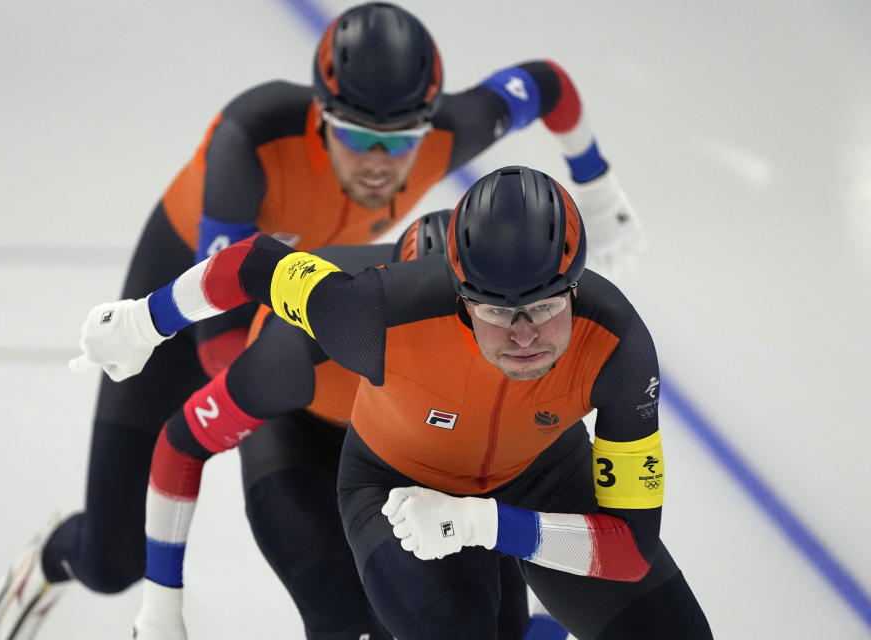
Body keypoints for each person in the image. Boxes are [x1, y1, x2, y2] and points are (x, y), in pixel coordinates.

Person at [0, 2, 643, 638]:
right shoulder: (254, 139)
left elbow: (546, 84)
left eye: (402, 141)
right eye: (358, 135)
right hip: (212, 313)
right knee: (113, 560)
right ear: (319, 117)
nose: (382, 164)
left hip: (319, 318)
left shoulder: (450, 139)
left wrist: (597, 185)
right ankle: (53, 558)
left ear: (429, 127)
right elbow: (227, 343)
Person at [72, 165, 712, 639]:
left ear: (577, 287)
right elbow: (253, 264)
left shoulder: (619, 345)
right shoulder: (370, 315)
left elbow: (628, 550)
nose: (523, 336)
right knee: (401, 623)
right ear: (458, 295)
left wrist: (482, 523)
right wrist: (141, 323)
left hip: (540, 469)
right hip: (398, 486)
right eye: (496, 310)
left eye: (544, 307)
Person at [134, 211, 546, 640]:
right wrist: (160, 604)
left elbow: (564, 501)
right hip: (302, 435)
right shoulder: (302, 350)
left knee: (494, 626)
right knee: (342, 618)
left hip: (418, 447)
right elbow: (181, 444)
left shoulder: (523, 348)